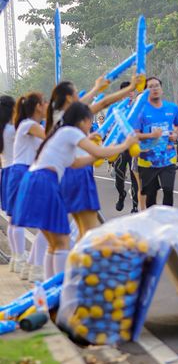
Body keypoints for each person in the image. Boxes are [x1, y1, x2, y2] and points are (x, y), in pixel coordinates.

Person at [13, 102, 136, 279]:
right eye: (90, 121)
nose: (90, 126)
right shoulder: (71, 132)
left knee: (55, 243)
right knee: (61, 241)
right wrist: (126, 144)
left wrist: (92, 147)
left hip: (35, 180)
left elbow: (77, 162)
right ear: (83, 120)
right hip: (44, 181)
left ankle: (52, 284)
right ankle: (63, 284)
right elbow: (101, 153)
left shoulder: (63, 133)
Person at [48, 76, 139, 238]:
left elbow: (99, 103)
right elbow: (103, 103)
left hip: (70, 172)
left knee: (71, 231)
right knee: (87, 231)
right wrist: (124, 145)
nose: (80, 97)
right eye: (76, 93)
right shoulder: (68, 121)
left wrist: (97, 88)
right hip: (76, 176)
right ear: (69, 99)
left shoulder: (60, 118)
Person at [5, 93, 47, 273]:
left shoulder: (25, 126)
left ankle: (21, 260)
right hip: (22, 171)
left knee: (16, 219)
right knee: (38, 219)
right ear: (37, 106)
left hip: (21, 171)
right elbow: (51, 137)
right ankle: (28, 263)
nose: (47, 105)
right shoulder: (28, 125)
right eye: (44, 102)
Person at [135, 77, 178, 208]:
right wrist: (151, 135)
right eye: (150, 87)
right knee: (151, 195)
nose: (155, 89)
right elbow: (134, 134)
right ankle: (153, 217)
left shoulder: (172, 108)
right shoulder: (140, 111)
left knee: (168, 189)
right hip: (147, 160)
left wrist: (176, 133)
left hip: (168, 158)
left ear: (161, 89)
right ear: (145, 91)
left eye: (157, 85)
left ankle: (166, 217)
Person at [110, 81, 139, 213]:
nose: (130, 93)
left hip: (134, 147)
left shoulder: (138, 108)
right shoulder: (115, 108)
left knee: (135, 177)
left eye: (132, 90)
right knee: (119, 177)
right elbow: (109, 126)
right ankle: (121, 195)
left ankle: (135, 207)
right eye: (127, 91)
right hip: (120, 147)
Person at [0, 95, 16, 267]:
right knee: (18, 218)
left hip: (5, 172)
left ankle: (16, 256)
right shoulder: (13, 130)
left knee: (12, 218)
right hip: (16, 172)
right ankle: (19, 257)